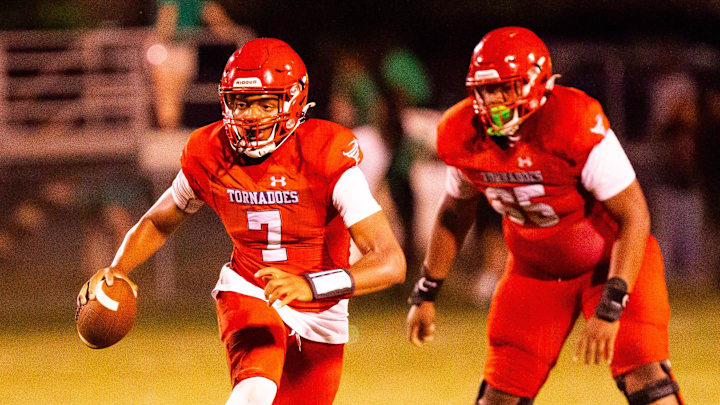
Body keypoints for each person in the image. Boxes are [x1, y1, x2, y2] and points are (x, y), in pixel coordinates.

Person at [78, 38, 406, 405]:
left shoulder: (325, 153)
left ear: (294, 100)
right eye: (241, 103)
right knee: (254, 391)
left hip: (322, 306)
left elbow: (391, 262)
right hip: (249, 288)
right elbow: (158, 221)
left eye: (265, 103)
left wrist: (311, 285)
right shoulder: (211, 151)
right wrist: (118, 268)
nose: (251, 116)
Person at [405, 27, 683, 405]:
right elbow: (455, 213)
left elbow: (634, 215)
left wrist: (613, 302)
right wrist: (427, 291)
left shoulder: (572, 120)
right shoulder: (462, 132)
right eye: (486, 90)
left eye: (507, 87)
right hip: (533, 273)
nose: (494, 100)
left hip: (609, 263)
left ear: (536, 82)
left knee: (647, 377)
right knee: (500, 395)